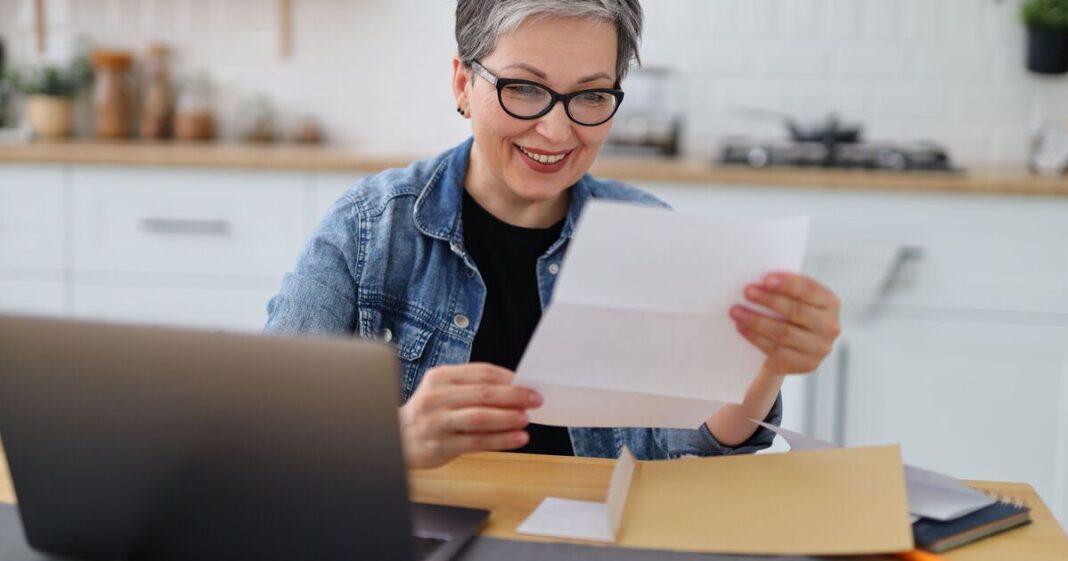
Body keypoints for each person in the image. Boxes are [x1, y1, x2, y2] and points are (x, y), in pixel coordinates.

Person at [265, 0, 841, 470]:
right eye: (524, 87)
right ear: (463, 82)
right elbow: (262, 434)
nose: (557, 128)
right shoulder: (370, 229)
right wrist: (393, 439)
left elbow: (695, 446)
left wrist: (768, 363)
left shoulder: (650, 235)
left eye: (591, 95)